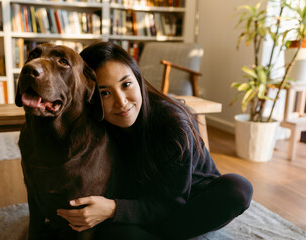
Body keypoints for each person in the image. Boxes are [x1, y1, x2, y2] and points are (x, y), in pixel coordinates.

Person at [56, 41, 253, 240]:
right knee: (111, 232)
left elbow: (171, 202)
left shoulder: (173, 123)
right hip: (142, 204)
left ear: (139, 79)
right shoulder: (93, 125)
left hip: (188, 202)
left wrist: (113, 210)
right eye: (104, 93)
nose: (121, 101)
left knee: (238, 188)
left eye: (126, 84)